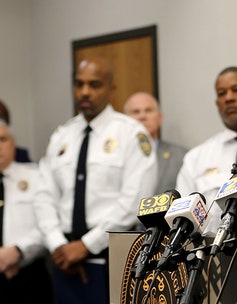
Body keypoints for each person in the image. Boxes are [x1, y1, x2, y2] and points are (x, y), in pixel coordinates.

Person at [34, 57, 157, 304]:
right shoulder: (62, 135)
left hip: (110, 254)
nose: (85, 92)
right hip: (64, 259)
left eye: (95, 84)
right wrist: (58, 245)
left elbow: (133, 202)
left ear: (111, 88)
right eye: (79, 84)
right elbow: (43, 195)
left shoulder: (131, 133)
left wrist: (87, 245)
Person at [176, 66, 237, 233]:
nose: (228, 98)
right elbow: (182, 220)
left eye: (236, 90)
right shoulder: (197, 158)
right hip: (211, 254)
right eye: (222, 94)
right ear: (217, 103)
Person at [0, 120, 54, 303]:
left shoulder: (36, 177)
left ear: (13, 145)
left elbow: (49, 224)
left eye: (2, 139)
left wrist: (18, 251)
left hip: (28, 276)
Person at [124, 91, 188, 194]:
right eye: (136, 112)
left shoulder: (181, 156)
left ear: (160, 118)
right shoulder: (114, 157)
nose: (142, 116)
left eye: (148, 110)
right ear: (125, 121)